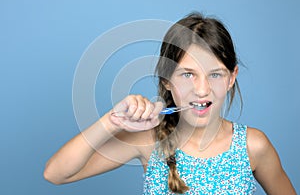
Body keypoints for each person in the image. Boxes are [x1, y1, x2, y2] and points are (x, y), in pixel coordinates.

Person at [44, 13, 296, 194]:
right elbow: (55, 174)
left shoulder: (253, 146)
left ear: (232, 78)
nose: (202, 89)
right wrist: (111, 122)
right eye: (188, 74)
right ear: (166, 80)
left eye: (215, 74)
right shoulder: (148, 140)